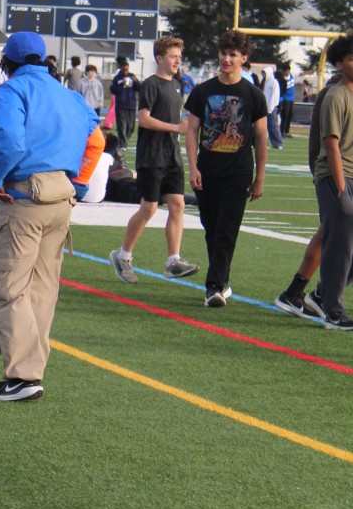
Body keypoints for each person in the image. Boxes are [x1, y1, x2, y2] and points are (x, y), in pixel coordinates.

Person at [0, 30, 99, 403]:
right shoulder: (69, 94)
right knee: (43, 290)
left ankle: (23, 376)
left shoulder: (12, 91)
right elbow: (96, 141)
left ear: (8, 61)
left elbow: (10, 143)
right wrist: (78, 186)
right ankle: (31, 371)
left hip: (24, 195)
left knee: (10, 288)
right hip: (61, 197)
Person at [184, 29, 268, 308]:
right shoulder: (203, 91)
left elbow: (261, 137)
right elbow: (192, 130)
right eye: (223, 53)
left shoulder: (253, 94)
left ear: (244, 58)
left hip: (238, 173)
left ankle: (214, 286)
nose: (226, 59)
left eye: (233, 54)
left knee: (226, 229)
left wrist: (260, 177)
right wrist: (193, 167)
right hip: (207, 171)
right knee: (211, 228)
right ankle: (222, 281)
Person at [108, 36, 198, 285]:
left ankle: (173, 260)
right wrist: (176, 128)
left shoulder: (177, 84)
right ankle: (123, 256)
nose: (177, 60)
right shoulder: (150, 84)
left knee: (178, 204)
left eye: (179, 56)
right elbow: (145, 119)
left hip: (172, 156)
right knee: (149, 208)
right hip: (152, 156)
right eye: (172, 56)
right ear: (159, 58)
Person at [274, 70, 342, 318]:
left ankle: (307, 293)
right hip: (337, 173)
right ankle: (315, 294)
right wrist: (332, 180)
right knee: (332, 232)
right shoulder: (336, 91)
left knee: (331, 232)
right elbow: (326, 142)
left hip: (336, 171)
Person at [311, 32, 353, 329]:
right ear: (339, 64)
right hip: (335, 176)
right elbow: (331, 144)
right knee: (340, 243)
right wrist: (340, 190)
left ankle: (322, 294)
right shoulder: (336, 95)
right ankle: (333, 311)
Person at [110, 57, 140, 154]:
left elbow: (139, 88)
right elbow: (113, 91)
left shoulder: (132, 76)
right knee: (122, 126)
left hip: (131, 104)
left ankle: (123, 142)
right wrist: (121, 84)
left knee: (131, 127)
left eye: (127, 69)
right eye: (124, 69)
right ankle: (122, 145)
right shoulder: (117, 78)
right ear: (121, 68)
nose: (126, 71)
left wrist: (136, 81)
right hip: (121, 105)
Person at [263, 63, 284, 150]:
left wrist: (270, 107)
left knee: (273, 125)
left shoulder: (274, 82)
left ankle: (278, 143)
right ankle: (264, 143)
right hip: (264, 107)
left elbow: (274, 96)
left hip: (271, 108)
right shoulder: (264, 82)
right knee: (263, 126)